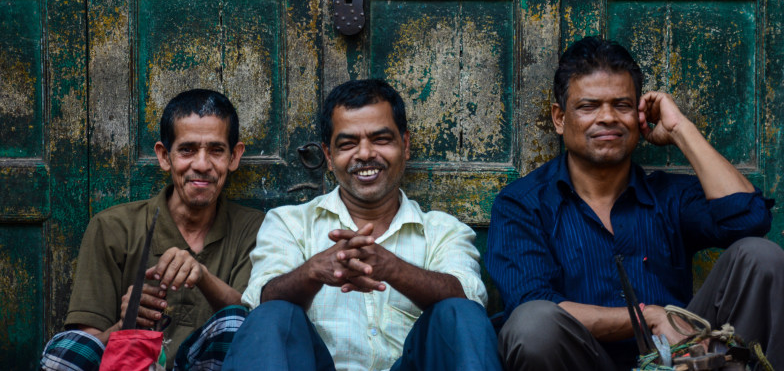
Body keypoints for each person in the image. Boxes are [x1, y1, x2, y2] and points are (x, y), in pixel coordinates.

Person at [485, 36, 783, 370]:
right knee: (534, 322)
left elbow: (749, 218)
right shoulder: (523, 204)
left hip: (684, 362)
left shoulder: (669, 194)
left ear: (638, 116)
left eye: (622, 105)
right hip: (585, 362)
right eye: (588, 106)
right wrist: (649, 317)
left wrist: (680, 128)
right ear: (559, 118)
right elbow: (531, 304)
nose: (608, 117)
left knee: (761, 257)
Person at [223, 79, 501, 371]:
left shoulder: (444, 231)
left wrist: (392, 267)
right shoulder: (289, 224)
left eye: (381, 139)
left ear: (404, 145)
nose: (365, 154)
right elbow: (260, 301)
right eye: (347, 144)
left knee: (459, 311)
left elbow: (470, 302)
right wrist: (313, 272)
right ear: (329, 156)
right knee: (272, 315)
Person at [41, 89, 265, 370]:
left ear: (234, 157)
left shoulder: (254, 229)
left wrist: (203, 277)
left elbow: (253, 326)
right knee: (65, 350)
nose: (202, 164)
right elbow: (87, 347)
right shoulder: (111, 227)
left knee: (235, 323)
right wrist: (125, 324)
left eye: (216, 150)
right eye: (187, 150)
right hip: (129, 364)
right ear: (164, 156)